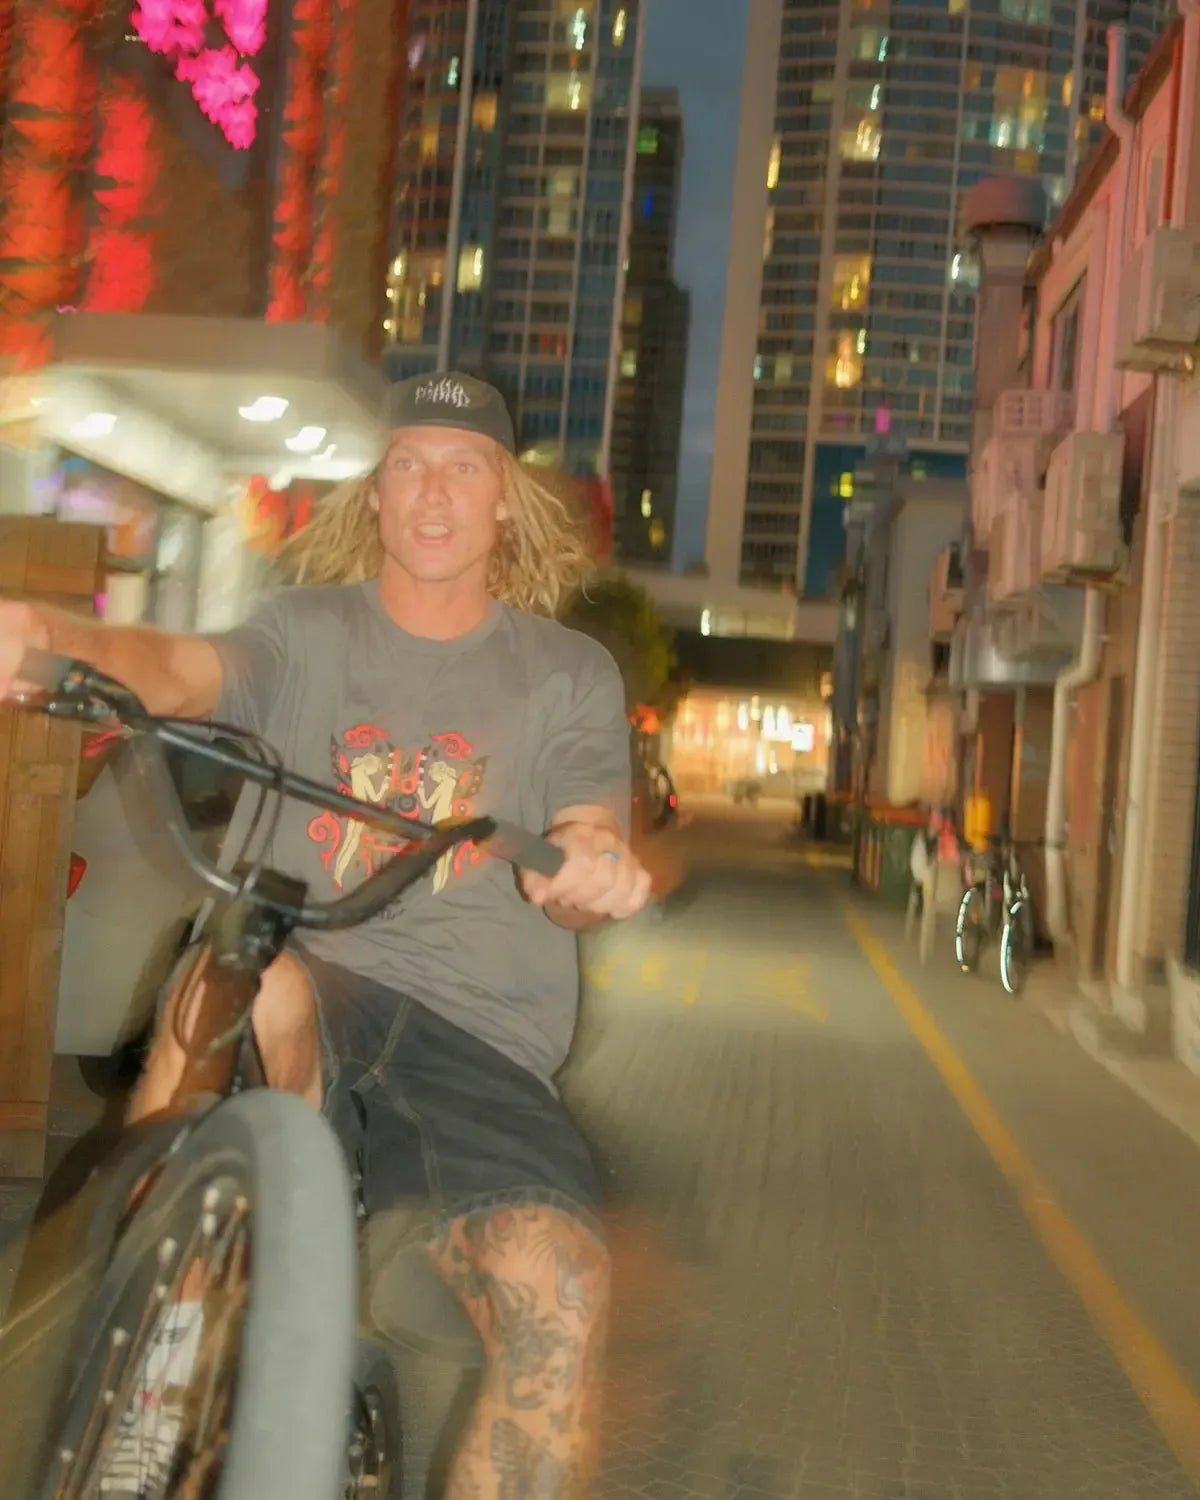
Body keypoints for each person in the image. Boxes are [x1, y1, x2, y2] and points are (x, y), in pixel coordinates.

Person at [0, 370, 652, 1499]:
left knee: (564, 1298)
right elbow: (180, 671)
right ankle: (159, 1331)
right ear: (375, 495)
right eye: (408, 465)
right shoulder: (300, 632)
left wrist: (589, 864)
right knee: (255, 973)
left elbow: (584, 835)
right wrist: (51, 638)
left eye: (462, 467)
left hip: (478, 1046)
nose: (432, 491)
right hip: (311, 973)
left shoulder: (567, 674)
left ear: (504, 498)